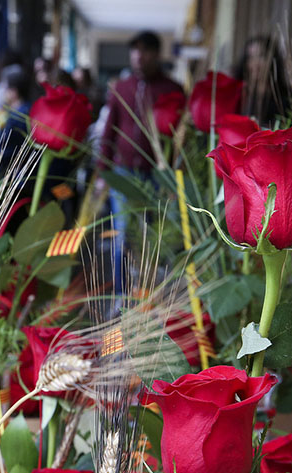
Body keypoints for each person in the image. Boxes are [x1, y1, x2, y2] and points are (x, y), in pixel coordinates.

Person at [97, 31, 181, 293]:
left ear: (157, 54)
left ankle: (147, 294)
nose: (138, 56)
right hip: (123, 173)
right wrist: (102, 173)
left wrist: (174, 182)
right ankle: (123, 295)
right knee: (123, 233)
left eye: (144, 51)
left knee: (153, 237)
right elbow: (109, 130)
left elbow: (180, 138)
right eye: (134, 51)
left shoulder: (172, 90)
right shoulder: (121, 88)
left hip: (157, 175)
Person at [235, 36, 292, 127]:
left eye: (261, 56)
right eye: (251, 57)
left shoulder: (287, 98)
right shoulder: (239, 97)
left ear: (272, 60)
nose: (256, 63)